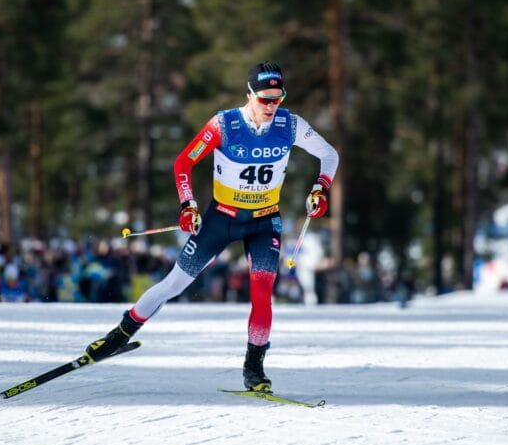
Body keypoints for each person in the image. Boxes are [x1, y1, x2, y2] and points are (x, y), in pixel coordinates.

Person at [83, 61, 339, 392]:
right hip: (222, 218)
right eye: (265, 99)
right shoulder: (225, 124)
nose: (272, 106)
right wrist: (188, 204)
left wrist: (320, 188)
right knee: (175, 282)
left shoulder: (291, 126)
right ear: (249, 95)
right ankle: (118, 336)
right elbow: (184, 162)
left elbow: (330, 155)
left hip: (264, 221)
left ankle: (254, 369)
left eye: (278, 98)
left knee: (262, 294)